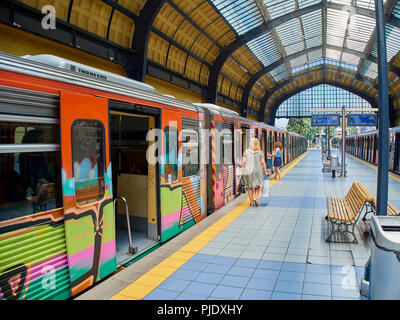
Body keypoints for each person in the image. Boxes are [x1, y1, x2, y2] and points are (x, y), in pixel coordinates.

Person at [241, 138, 268, 207]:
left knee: (250, 187)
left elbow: (243, 162)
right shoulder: (260, 152)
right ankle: (256, 198)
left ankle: (251, 201)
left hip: (249, 171)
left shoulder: (246, 152)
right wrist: (266, 171)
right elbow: (262, 162)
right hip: (258, 170)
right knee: (257, 186)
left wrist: (242, 170)